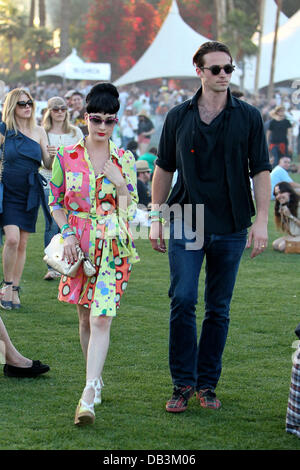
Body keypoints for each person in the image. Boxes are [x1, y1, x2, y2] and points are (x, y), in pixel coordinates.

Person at [149, 41, 271, 413]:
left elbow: (261, 170)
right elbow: (163, 168)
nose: (223, 75)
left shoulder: (249, 116)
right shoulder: (178, 116)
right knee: (183, 298)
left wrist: (262, 220)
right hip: (187, 218)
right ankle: (182, 384)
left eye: (228, 69)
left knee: (218, 308)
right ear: (199, 71)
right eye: (215, 69)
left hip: (232, 222)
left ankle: (207, 385)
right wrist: (155, 217)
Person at [49, 82, 139, 426]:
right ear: (85, 117)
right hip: (79, 245)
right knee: (85, 318)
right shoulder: (66, 156)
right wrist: (68, 231)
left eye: (110, 121)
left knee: (102, 318)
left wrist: (119, 184)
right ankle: (96, 379)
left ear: (117, 122)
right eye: (96, 119)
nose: (102, 127)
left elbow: (130, 212)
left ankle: (88, 393)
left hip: (114, 246)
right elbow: (56, 201)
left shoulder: (125, 159)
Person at [0, 88, 53, 310]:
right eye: (22, 104)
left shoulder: (39, 131)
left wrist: (54, 154)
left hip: (30, 191)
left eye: (29, 103)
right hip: (9, 190)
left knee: (22, 243)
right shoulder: (4, 130)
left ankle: (15, 289)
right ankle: (6, 285)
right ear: (13, 106)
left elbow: (47, 164)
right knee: (11, 239)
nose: (27, 107)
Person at [41, 96, 83, 280]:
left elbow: (82, 158)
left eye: (63, 109)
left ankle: (71, 261)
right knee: (52, 223)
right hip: (49, 180)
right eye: (55, 109)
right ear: (49, 111)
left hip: (73, 183)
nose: (59, 112)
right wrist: (52, 156)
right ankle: (52, 265)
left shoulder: (75, 132)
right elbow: (46, 164)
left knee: (73, 222)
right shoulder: (44, 132)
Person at [272, 182, 300, 252]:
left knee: (282, 247)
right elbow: (288, 230)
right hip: (295, 235)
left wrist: (290, 216)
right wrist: (283, 216)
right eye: (276, 194)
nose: (278, 196)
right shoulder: (286, 206)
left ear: (289, 192)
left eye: (281, 192)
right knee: (275, 245)